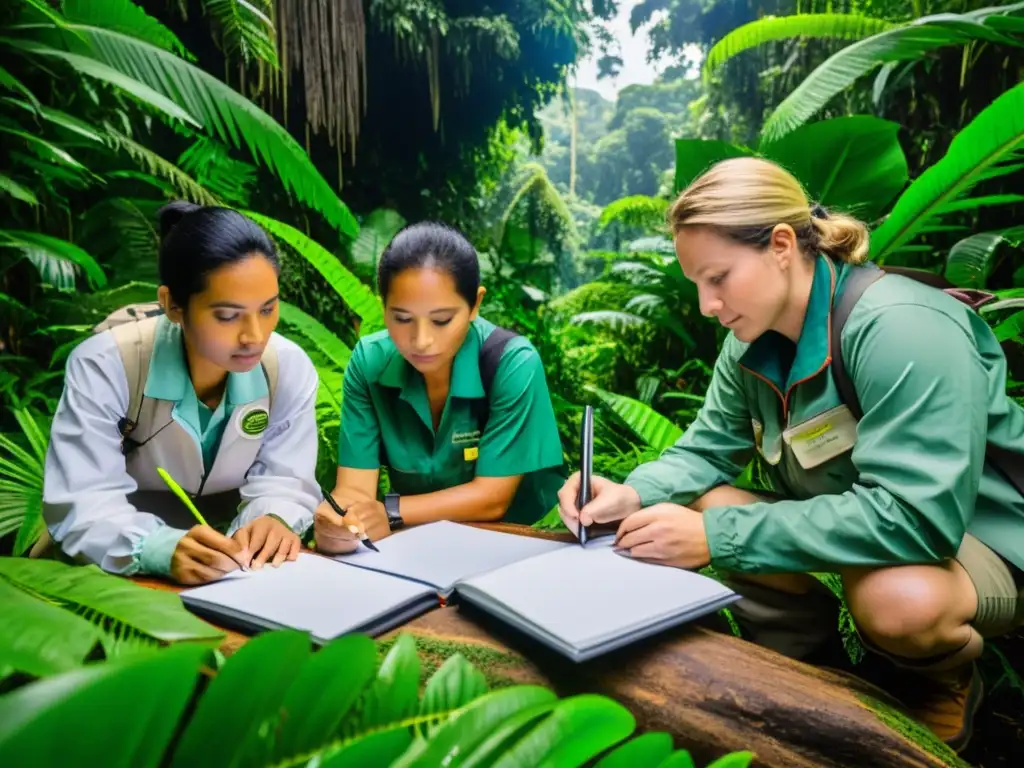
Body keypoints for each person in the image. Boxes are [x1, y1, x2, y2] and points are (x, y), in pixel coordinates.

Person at [556, 157, 1024, 752]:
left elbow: (916, 520)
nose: (707, 304)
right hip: (857, 521)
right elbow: (704, 451)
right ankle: (805, 661)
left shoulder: (901, 326)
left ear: (781, 245)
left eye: (718, 278)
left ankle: (938, 679)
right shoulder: (748, 341)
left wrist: (715, 536)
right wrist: (630, 491)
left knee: (897, 599)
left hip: (978, 538)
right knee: (694, 498)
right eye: (697, 284)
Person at [42, 202, 321, 585]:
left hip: (238, 575)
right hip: (111, 573)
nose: (255, 335)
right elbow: (84, 499)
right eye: (227, 315)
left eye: (268, 309)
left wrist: (273, 518)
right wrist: (158, 548)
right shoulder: (107, 365)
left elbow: (286, 479)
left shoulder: (285, 367)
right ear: (172, 304)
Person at [313, 221, 565, 554]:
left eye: (442, 320)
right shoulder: (369, 363)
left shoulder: (511, 363)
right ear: (383, 304)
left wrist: (390, 512)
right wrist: (340, 521)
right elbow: (354, 489)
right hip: (419, 552)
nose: (421, 341)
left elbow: (492, 499)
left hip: (520, 547)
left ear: (475, 304)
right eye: (402, 318)